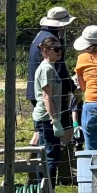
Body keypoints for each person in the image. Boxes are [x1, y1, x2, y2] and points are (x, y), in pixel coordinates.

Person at [27, 7, 76, 143]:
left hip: (37, 89)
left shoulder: (39, 36)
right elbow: (60, 71)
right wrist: (72, 89)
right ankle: (63, 162)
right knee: (62, 131)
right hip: (52, 92)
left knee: (41, 132)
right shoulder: (53, 41)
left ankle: (30, 160)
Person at [31, 37, 65, 181]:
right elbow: (46, 97)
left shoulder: (51, 67)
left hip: (47, 118)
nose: (59, 52)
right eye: (55, 49)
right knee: (50, 156)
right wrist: (54, 120)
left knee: (47, 155)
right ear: (45, 51)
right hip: (46, 118)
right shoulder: (46, 69)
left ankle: (45, 192)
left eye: (60, 48)